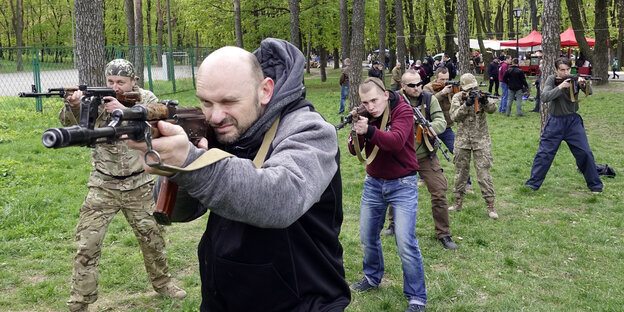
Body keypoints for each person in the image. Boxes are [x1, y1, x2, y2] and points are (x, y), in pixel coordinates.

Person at [128, 38, 351, 311]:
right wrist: (176, 170)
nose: (216, 116)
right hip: (224, 298)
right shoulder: (223, 129)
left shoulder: (311, 131)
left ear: (265, 90)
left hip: (303, 301)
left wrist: (190, 162)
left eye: (229, 101)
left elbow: (281, 199)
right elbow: (180, 212)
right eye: (206, 102)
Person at [60, 59, 186, 311]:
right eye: (110, 82)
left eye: (121, 82)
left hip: (139, 184)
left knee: (153, 239)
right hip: (102, 185)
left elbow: (158, 123)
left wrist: (124, 109)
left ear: (133, 82)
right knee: (87, 243)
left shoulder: (146, 98)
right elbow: (71, 124)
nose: (115, 87)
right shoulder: (96, 100)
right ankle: (80, 301)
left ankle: (163, 284)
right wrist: (75, 105)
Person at [347, 77, 427, 312]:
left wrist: (369, 129)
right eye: (365, 102)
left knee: (405, 242)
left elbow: (396, 141)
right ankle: (372, 277)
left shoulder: (402, 109)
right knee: (367, 235)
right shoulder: (366, 114)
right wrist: (358, 129)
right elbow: (354, 150)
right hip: (373, 182)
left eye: (374, 100)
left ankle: (417, 297)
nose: (370, 106)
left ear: (384, 94)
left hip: (403, 183)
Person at [525, 57, 603, 194]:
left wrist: (583, 84)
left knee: (585, 152)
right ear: (556, 70)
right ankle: (533, 184)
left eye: (568, 69)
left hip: (573, 122)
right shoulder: (551, 79)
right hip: (555, 122)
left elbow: (590, 93)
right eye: (562, 70)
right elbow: (544, 97)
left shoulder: (574, 78)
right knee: (544, 154)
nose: (565, 73)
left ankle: (595, 185)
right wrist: (561, 87)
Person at [402, 70, 458, 250]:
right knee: (397, 192)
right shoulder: (395, 100)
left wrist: (427, 126)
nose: (417, 88)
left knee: (439, 191)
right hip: (402, 154)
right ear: (403, 86)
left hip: (426, 153)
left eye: (419, 84)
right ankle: (393, 224)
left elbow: (441, 121)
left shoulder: (428, 98)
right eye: (412, 85)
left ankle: (444, 233)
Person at [449, 73, 499, 219]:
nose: (471, 90)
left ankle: (490, 205)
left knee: (483, 173)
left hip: (481, 139)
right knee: (460, 173)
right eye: (468, 88)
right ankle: (457, 202)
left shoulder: (482, 96)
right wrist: (467, 104)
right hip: (462, 140)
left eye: (473, 88)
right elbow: (454, 117)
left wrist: (484, 101)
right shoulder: (457, 98)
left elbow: (493, 109)